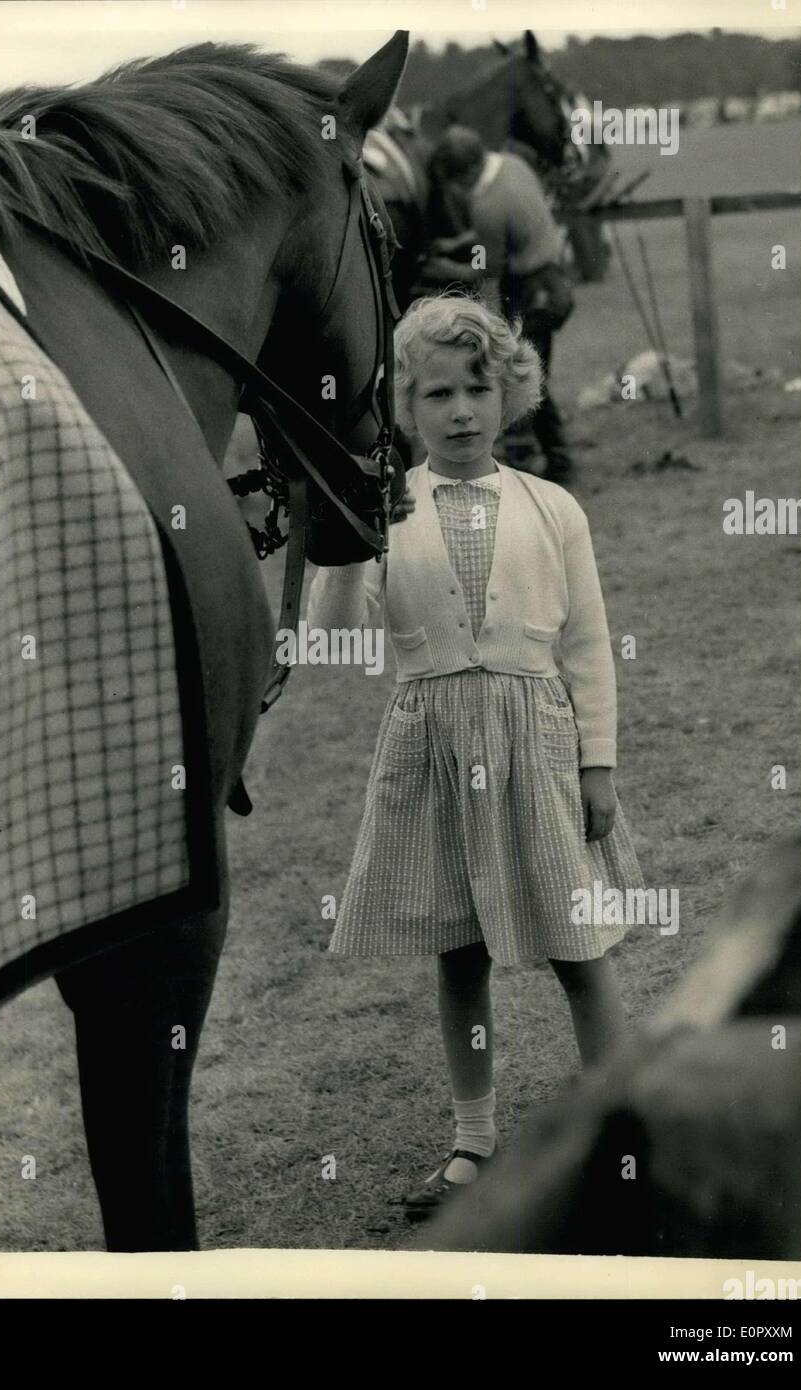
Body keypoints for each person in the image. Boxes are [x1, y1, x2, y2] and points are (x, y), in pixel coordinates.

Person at [307, 294, 644, 1215]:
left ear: (509, 395)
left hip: (535, 744)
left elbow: (586, 646)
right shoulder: (388, 511)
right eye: (435, 395)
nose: (459, 411)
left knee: (579, 948)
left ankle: (617, 1125)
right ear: (405, 413)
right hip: (432, 756)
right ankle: (474, 1135)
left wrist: (598, 763)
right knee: (458, 952)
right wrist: (341, 536)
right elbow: (333, 642)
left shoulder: (551, 507)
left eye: (477, 390)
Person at [426, 126, 578, 487]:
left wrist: (442, 267)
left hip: (533, 291)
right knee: (530, 374)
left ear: (465, 174)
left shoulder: (486, 207)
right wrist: (458, 242)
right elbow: (511, 226)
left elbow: (485, 268)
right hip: (555, 279)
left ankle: (553, 463)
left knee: (525, 378)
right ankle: (547, 458)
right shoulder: (513, 165)